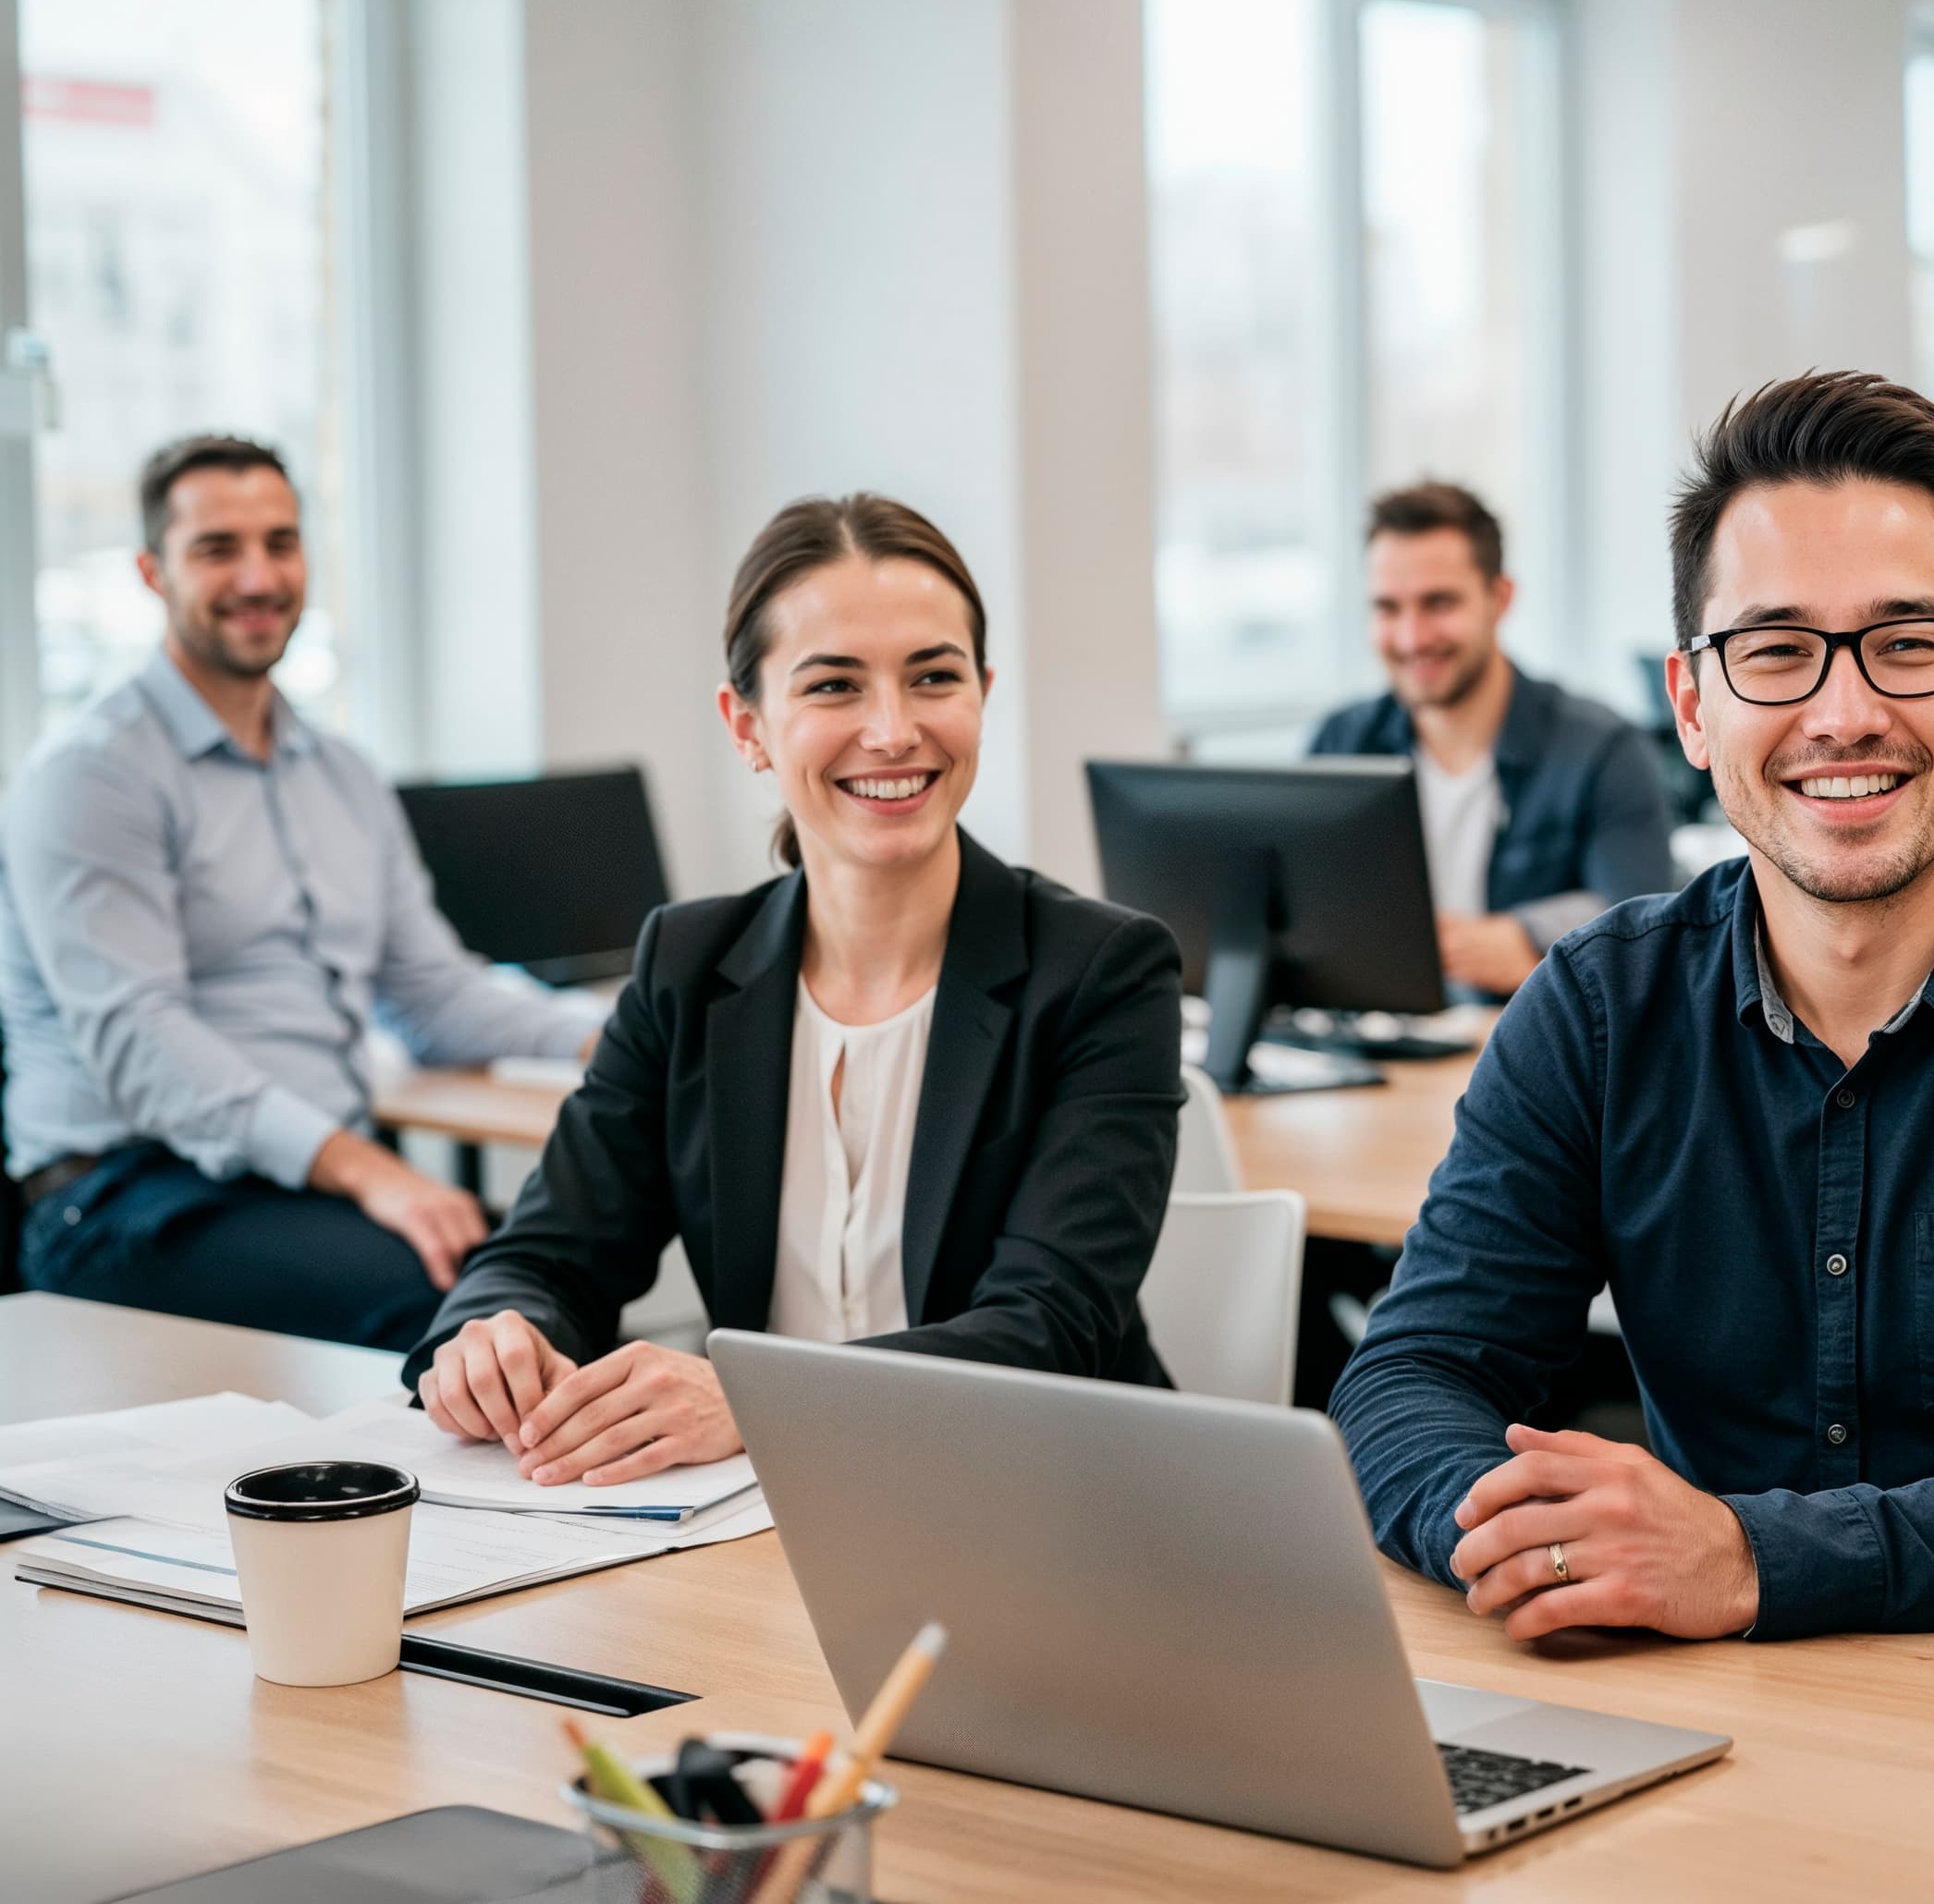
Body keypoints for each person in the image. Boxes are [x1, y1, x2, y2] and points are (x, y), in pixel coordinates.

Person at [1329, 372, 1934, 1642]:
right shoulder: (1600, 1011)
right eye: (1775, 651)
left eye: (1907, 644)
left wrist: (1749, 1560)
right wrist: (1544, 1545)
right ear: (1690, 704)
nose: (1846, 714)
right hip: (1706, 1715)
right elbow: (1412, 1378)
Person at [403, 494, 1183, 1489]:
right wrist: (492, 1337)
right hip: (757, 1512)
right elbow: (550, 1253)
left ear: (982, 694)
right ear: (749, 726)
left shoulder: (1102, 970)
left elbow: (1047, 1329)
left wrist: (760, 1403)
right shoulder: (687, 961)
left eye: (933, 677)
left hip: (1038, 1500)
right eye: (835, 687)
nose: (893, 730)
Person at [0, 436, 609, 1349]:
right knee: (469, 1317)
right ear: (151, 572)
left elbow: (433, 993)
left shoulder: (342, 776)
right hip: (123, 1195)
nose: (258, 576)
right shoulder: (94, 776)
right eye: (218, 549)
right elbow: (145, 1045)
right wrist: (371, 1171)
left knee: (566, 1274)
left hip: (302, 1186)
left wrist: (619, 1037)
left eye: (280, 543)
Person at [1310, 482, 1676, 999]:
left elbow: (1647, 925)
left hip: (1537, 1051)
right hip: (1379, 1050)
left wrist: (1527, 936)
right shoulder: (1342, 742)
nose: (1412, 637)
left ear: (1499, 598)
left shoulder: (1603, 748)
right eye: (1388, 608)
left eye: (1438, 603)